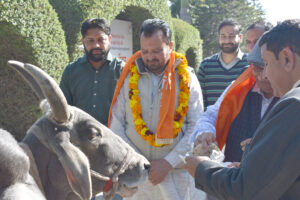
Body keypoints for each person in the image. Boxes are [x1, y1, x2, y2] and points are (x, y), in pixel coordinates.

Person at [183, 19, 300, 199]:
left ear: (287, 58)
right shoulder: (239, 88)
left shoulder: (293, 103)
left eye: (267, 64)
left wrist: (200, 168)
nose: (265, 75)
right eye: (257, 68)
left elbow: (247, 189)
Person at [108, 18, 203, 200]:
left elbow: (196, 127)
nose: (150, 57)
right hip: (137, 174)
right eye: (145, 51)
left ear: (170, 45)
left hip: (175, 174)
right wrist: (138, 161)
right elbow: (117, 123)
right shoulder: (129, 76)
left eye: (157, 51)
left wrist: (168, 162)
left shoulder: (186, 78)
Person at [191, 21, 276, 164]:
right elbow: (211, 115)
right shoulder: (238, 87)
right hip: (232, 181)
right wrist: (205, 131)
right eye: (257, 68)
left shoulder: (290, 93)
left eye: (259, 41)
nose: (254, 47)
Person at [60, 18, 124, 126]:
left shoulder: (123, 70)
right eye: (90, 40)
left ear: (110, 39)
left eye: (101, 39)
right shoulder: (71, 71)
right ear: (83, 41)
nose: (96, 45)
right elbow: (63, 108)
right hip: (79, 138)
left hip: (114, 138)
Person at [198, 18, 249, 109]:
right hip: (212, 122)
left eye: (231, 36)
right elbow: (199, 102)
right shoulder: (206, 66)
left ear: (240, 38)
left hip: (242, 122)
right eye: (223, 36)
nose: (227, 41)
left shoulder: (250, 64)